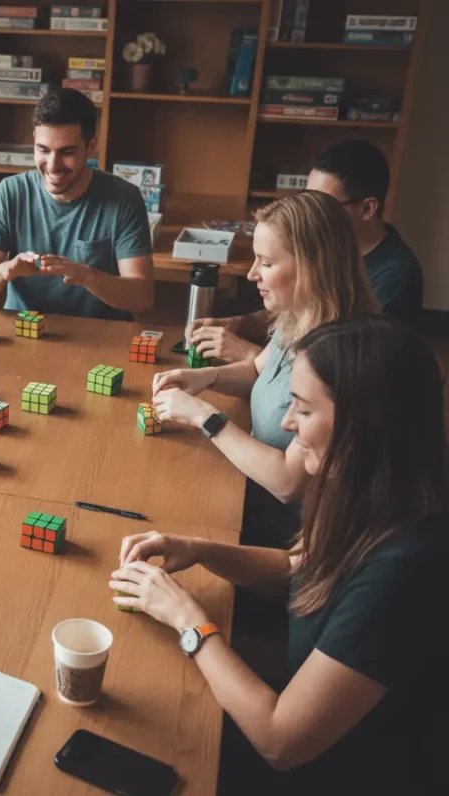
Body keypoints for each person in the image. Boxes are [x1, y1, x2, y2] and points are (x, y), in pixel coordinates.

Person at [111, 317, 447, 795]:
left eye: (304, 410)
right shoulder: (361, 489)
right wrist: (199, 550)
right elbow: (297, 568)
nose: (287, 423)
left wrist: (189, 621)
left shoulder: (405, 568)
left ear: (362, 426)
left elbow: (280, 741)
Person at [152, 191, 379, 548]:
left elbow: (289, 483)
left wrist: (203, 416)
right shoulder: (299, 313)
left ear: (311, 267)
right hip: (246, 492)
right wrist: (204, 377)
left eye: (266, 262)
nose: (251, 273)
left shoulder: (341, 356)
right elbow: (260, 370)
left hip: (284, 538)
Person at [189, 139, 423, 362]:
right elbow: (300, 309)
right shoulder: (324, 247)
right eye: (306, 197)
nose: (307, 211)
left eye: (322, 203)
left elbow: (346, 370)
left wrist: (248, 355)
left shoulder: (396, 276)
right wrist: (239, 324)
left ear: (367, 208)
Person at [0, 88, 155, 320]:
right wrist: (5, 270)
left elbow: (142, 299)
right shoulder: (11, 192)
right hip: (26, 330)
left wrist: (87, 277)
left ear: (91, 146)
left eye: (67, 152)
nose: (53, 165)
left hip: (99, 334)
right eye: (43, 150)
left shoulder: (124, 199)